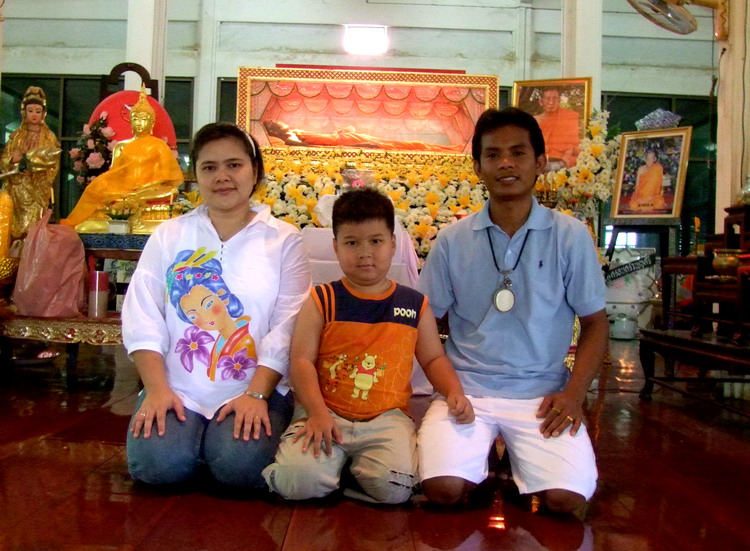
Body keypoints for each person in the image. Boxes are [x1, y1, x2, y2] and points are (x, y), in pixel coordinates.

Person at [417, 107, 609, 514]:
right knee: (443, 490)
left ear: (540, 162)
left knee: (566, 500)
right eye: (493, 154)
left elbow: (595, 323)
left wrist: (574, 395)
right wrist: (448, 387)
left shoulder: (570, 236)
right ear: (477, 167)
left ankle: (515, 462)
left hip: (541, 393)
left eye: (518, 153)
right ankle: (485, 459)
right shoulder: (452, 240)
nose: (506, 163)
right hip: (467, 390)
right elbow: (425, 321)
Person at [122, 122, 311, 489]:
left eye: (233, 165)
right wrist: (158, 389)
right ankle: (191, 442)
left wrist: (256, 394)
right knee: (156, 466)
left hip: (255, 387)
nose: (222, 176)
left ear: (255, 171)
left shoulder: (284, 240)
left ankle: (210, 446)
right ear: (195, 175)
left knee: (240, 467)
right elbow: (143, 314)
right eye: (209, 167)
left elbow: (289, 324)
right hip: (178, 388)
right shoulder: (170, 234)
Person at [262, 187, 474, 504]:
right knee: (296, 481)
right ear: (336, 246)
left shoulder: (413, 304)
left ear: (393, 244)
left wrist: (454, 391)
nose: (365, 253)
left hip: (386, 419)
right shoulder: (322, 299)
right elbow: (301, 360)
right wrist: (316, 413)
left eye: (376, 241)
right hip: (325, 412)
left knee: (396, 489)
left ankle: (346, 472)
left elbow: (433, 359)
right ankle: (332, 467)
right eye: (352, 243)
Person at [61, 86, 184, 230]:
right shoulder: (122, 146)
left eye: (143, 119)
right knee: (99, 192)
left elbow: (165, 180)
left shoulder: (159, 146)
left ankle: (126, 208)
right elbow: (114, 175)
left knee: (171, 192)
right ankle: (121, 208)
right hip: (124, 191)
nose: (139, 123)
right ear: (131, 122)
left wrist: (141, 191)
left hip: (148, 191)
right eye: (135, 119)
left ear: (151, 123)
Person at [0, 86, 61, 240]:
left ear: (43, 114)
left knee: (34, 228)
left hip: (37, 189)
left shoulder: (49, 137)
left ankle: (32, 252)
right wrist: (13, 159)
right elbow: (4, 160)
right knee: (12, 226)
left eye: (38, 111)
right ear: (24, 112)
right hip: (17, 187)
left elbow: (53, 164)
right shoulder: (16, 136)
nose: (34, 114)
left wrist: (36, 170)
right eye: (30, 111)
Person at [263, 120, 466, 153]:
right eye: (276, 124)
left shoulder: (295, 133)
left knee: (412, 144)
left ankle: (454, 149)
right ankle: (454, 150)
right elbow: (322, 146)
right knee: (412, 145)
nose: (281, 123)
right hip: (352, 141)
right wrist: (354, 144)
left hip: (351, 138)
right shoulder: (292, 138)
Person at [533, 88, 580, 168]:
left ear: (559, 101)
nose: (551, 102)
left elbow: (572, 144)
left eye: (554, 98)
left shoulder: (568, 117)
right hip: (539, 161)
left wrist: (562, 163)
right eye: (547, 98)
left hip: (561, 160)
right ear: (541, 102)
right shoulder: (535, 120)